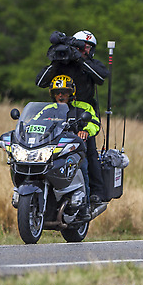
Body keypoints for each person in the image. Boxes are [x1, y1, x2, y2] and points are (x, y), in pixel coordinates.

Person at [35, 30, 109, 205]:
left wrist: (80, 60)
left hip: (85, 113)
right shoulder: (62, 63)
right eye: (83, 47)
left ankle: (96, 193)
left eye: (89, 48)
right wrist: (56, 61)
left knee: (89, 152)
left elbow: (101, 77)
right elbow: (40, 82)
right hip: (60, 112)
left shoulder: (89, 63)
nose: (86, 50)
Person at [48, 75, 101, 221]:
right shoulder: (48, 109)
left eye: (64, 92)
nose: (60, 95)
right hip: (52, 150)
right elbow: (33, 122)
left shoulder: (83, 107)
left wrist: (86, 131)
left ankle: (84, 207)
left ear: (71, 92)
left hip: (74, 149)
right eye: (57, 92)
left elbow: (95, 123)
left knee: (81, 169)